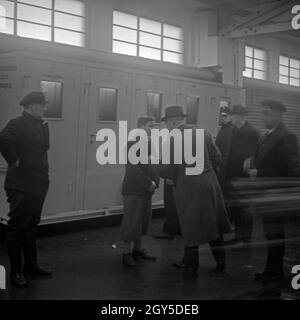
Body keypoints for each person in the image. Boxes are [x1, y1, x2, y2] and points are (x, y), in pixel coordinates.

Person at [159, 106, 231, 276]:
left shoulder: (173, 139)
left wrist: (155, 166)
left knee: (190, 224)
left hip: (189, 186)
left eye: (167, 124)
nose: (166, 127)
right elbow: (217, 157)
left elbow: (167, 168)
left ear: (173, 122)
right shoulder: (203, 133)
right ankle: (221, 261)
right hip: (210, 182)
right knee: (213, 223)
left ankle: (191, 264)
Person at [0, 91, 52, 288]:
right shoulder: (17, 124)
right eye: (42, 105)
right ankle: (16, 273)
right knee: (17, 229)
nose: (45, 109)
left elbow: (45, 148)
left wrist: (45, 128)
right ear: (31, 107)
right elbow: (2, 139)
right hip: (21, 185)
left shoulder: (41, 125)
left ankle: (31, 265)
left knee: (31, 227)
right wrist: (14, 160)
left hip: (38, 183)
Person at [245, 100, 299, 282]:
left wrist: (258, 172)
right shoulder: (266, 135)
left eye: (267, 113)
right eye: (262, 113)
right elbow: (264, 158)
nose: (263, 117)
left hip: (276, 193)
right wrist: (252, 163)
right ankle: (272, 268)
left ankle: (274, 270)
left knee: (275, 234)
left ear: (278, 114)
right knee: (270, 233)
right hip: (266, 192)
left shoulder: (287, 137)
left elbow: (288, 168)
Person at [120, 116, 160, 267]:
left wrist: (155, 182)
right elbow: (132, 169)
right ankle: (126, 253)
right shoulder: (132, 144)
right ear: (141, 126)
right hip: (134, 190)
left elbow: (155, 163)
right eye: (150, 126)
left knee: (141, 221)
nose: (152, 129)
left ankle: (137, 250)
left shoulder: (149, 143)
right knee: (131, 222)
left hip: (146, 190)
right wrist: (148, 183)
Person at [224, 104, 260, 244]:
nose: (230, 117)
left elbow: (256, 152)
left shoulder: (251, 132)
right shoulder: (232, 130)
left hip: (244, 175)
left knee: (243, 207)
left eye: (233, 115)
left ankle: (245, 238)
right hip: (232, 173)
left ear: (241, 116)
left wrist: (251, 164)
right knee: (235, 206)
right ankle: (239, 235)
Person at [215, 107, 233, 192]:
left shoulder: (231, 129)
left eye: (225, 116)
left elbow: (228, 150)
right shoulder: (223, 128)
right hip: (219, 164)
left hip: (225, 166)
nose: (222, 118)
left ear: (230, 117)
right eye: (221, 116)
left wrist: (222, 164)